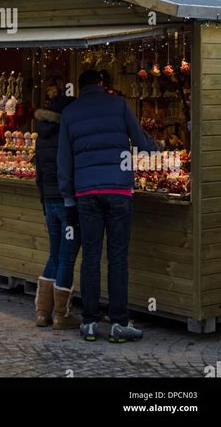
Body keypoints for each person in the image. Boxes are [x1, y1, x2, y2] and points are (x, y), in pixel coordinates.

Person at [57, 70, 157, 343]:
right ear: (101, 84)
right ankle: (119, 323)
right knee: (117, 258)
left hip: (86, 193)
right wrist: (159, 151)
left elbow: (64, 161)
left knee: (90, 257)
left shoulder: (70, 113)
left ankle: (89, 322)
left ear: (79, 87)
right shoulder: (119, 105)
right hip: (118, 190)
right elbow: (141, 142)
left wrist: (68, 197)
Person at [34, 95, 81, 330]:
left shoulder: (41, 136)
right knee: (67, 256)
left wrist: (44, 201)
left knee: (54, 254)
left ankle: (43, 313)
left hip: (50, 202)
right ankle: (61, 315)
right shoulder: (68, 134)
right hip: (67, 202)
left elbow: (39, 174)